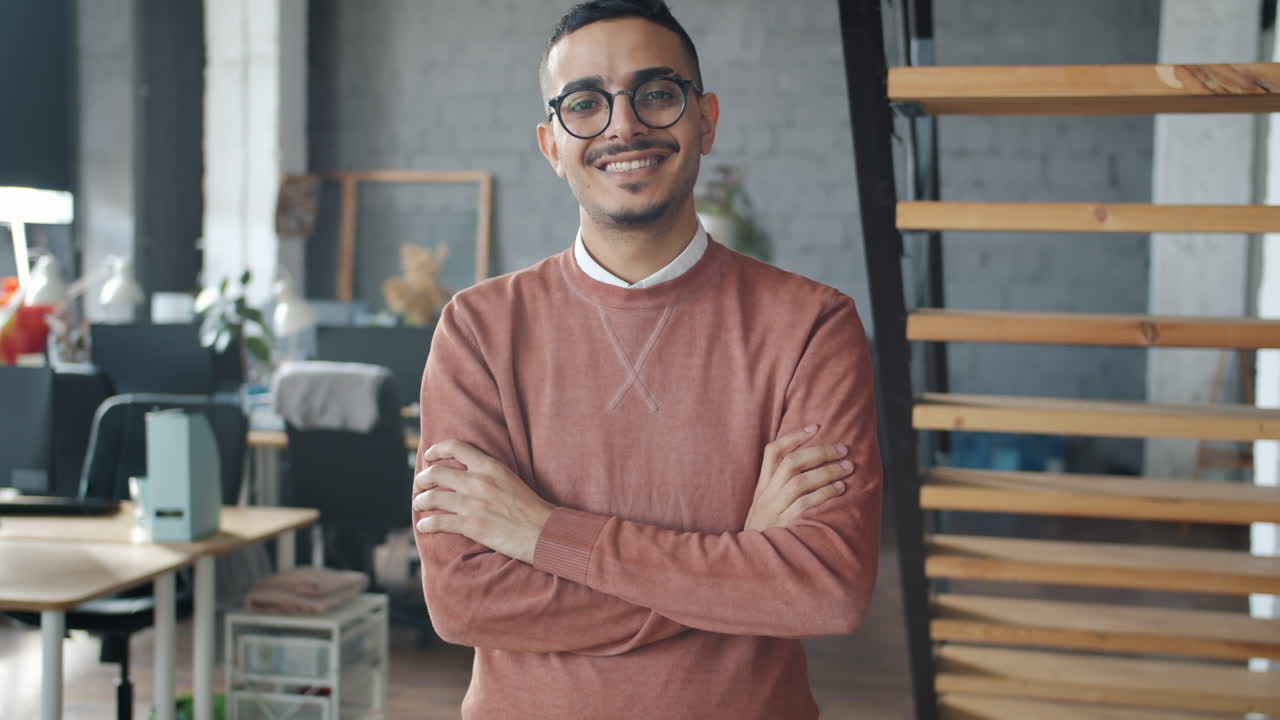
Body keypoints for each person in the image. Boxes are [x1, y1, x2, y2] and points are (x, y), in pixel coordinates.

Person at [410, 1, 883, 717]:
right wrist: (742, 560)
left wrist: (542, 535)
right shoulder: (477, 329)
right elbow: (464, 600)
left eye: (657, 94)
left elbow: (827, 589)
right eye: (585, 104)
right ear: (551, 145)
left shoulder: (813, 325)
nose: (623, 126)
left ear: (706, 120)